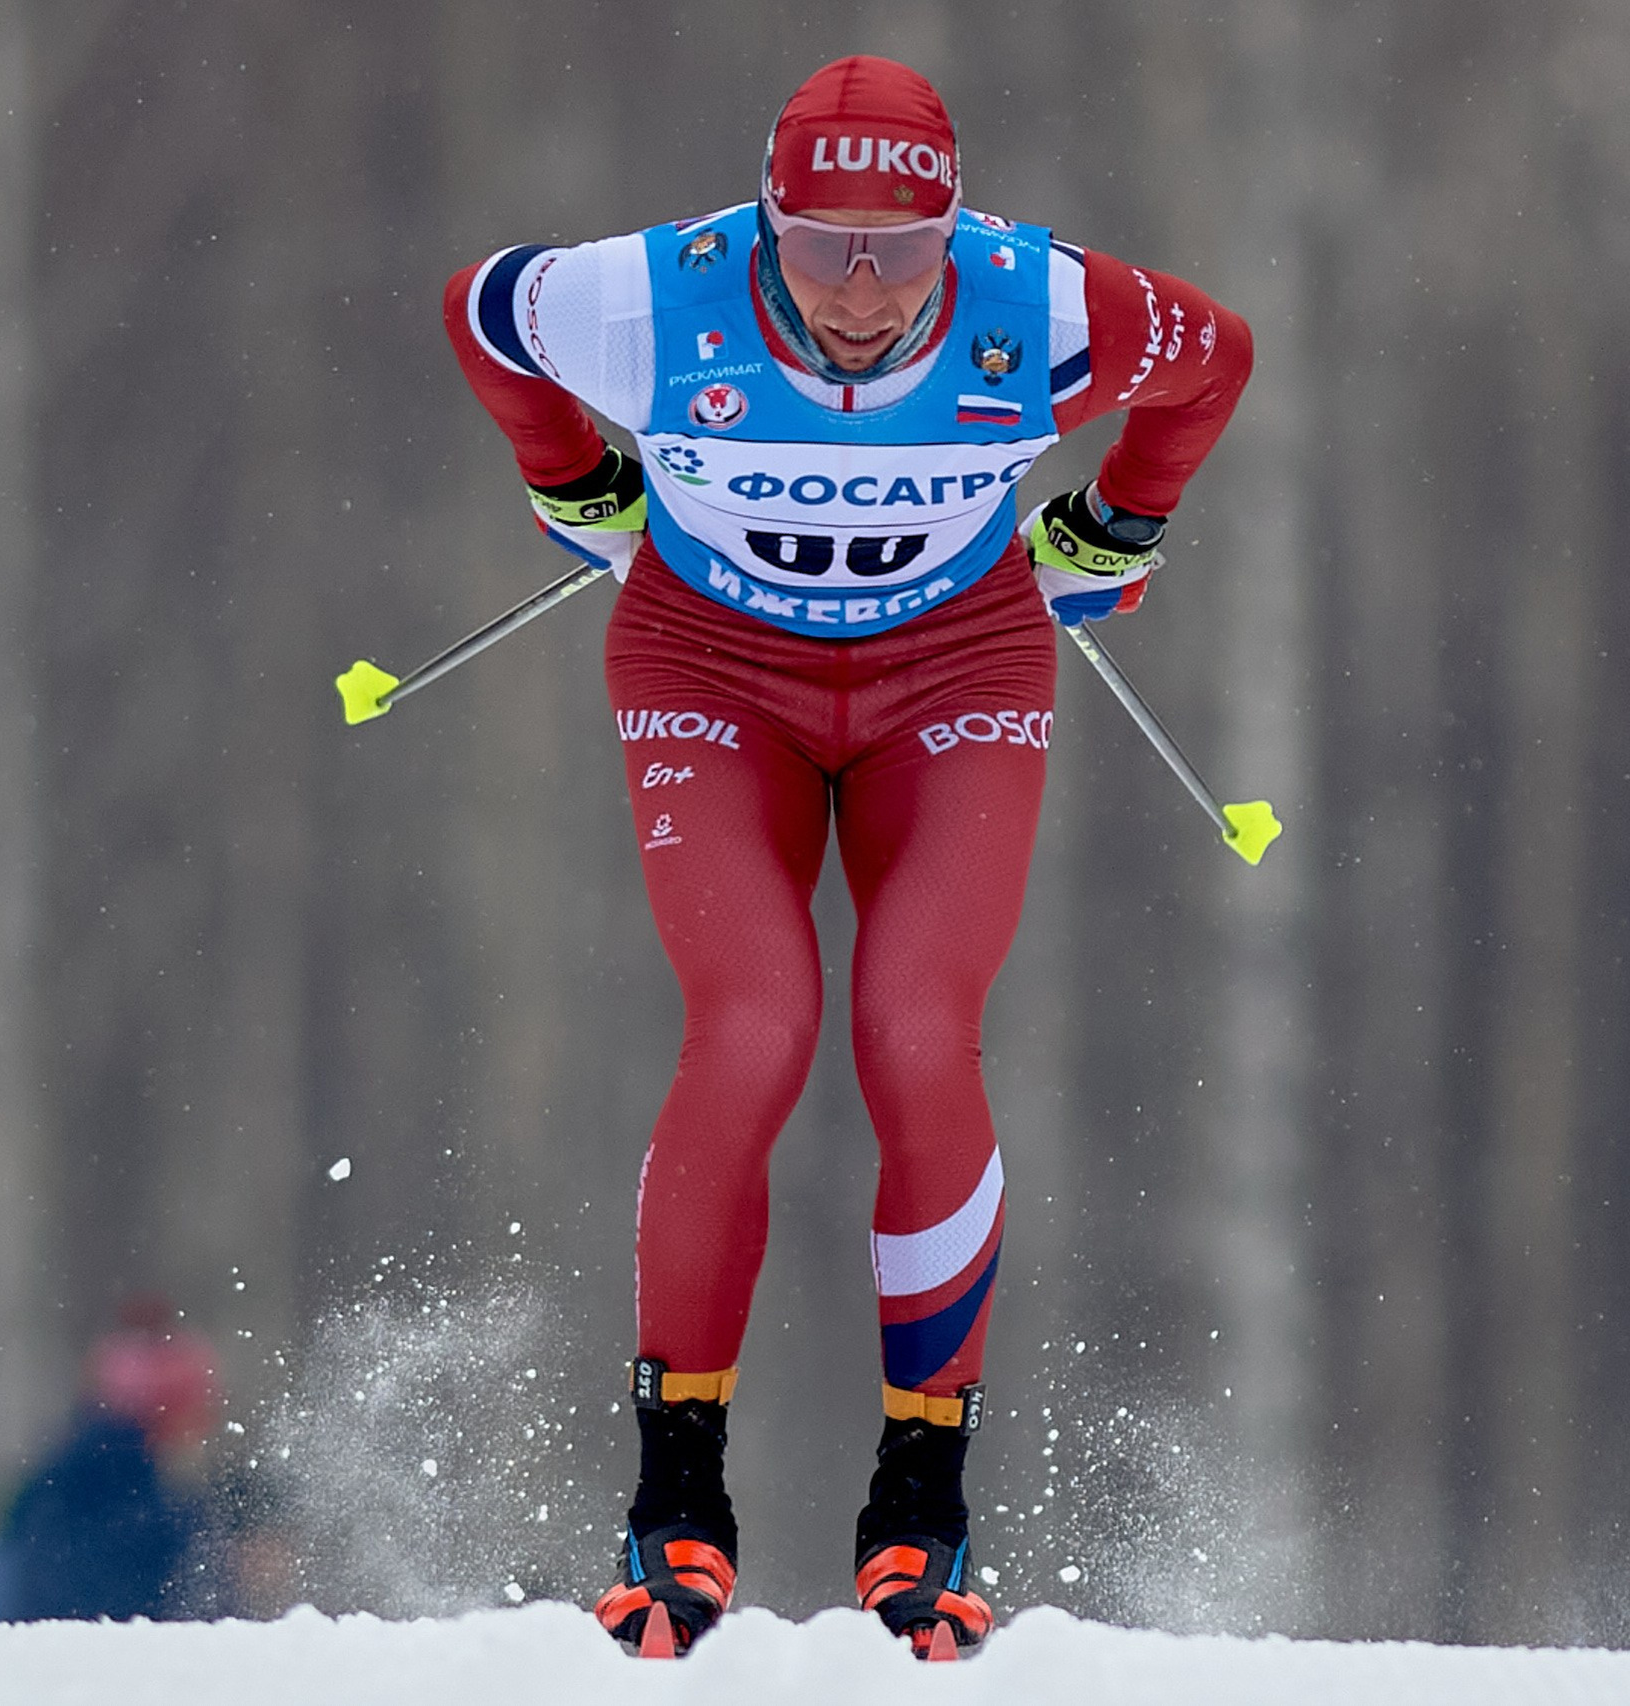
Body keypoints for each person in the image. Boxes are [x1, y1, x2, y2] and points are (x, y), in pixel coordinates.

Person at [443, 54, 1251, 1659]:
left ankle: (922, 1509)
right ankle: (676, 1499)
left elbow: (1214, 357)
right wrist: (571, 479)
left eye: (906, 244)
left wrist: (1122, 525)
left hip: (955, 674)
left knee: (913, 1028)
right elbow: (481, 312)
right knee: (753, 1025)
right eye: (821, 247)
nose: (868, 289)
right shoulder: (649, 303)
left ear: (963, 225)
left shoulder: (1044, 306)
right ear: (764, 218)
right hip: (707, 672)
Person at [0, 1297, 234, 1623]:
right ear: (165, 1415)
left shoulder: (62, 1481)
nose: (205, 1428)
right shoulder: (125, 1509)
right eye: (197, 1412)